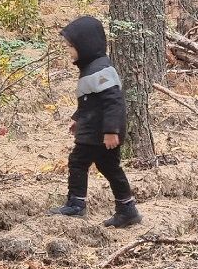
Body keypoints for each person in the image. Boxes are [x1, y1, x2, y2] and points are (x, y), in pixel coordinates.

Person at [49, 16, 142, 227]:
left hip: (98, 134)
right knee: (110, 168)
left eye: (71, 47)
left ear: (86, 45)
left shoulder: (101, 70)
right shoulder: (92, 68)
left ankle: (76, 204)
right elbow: (90, 102)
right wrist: (78, 120)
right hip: (93, 130)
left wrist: (111, 131)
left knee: (78, 162)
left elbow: (113, 102)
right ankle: (127, 209)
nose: (69, 51)